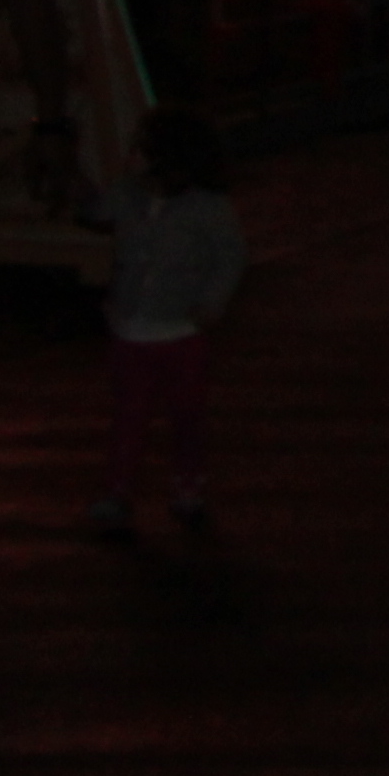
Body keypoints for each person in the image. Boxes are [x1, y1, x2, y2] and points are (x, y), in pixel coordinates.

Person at [90, 105, 244, 538]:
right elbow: (96, 213)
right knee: (129, 415)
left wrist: (212, 304)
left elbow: (230, 257)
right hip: (131, 329)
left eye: (142, 146)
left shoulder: (208, 208)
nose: (132, 153)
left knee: (186, 416)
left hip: (181, 331)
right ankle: (118, 490)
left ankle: (188, 490)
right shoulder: (128, 194)